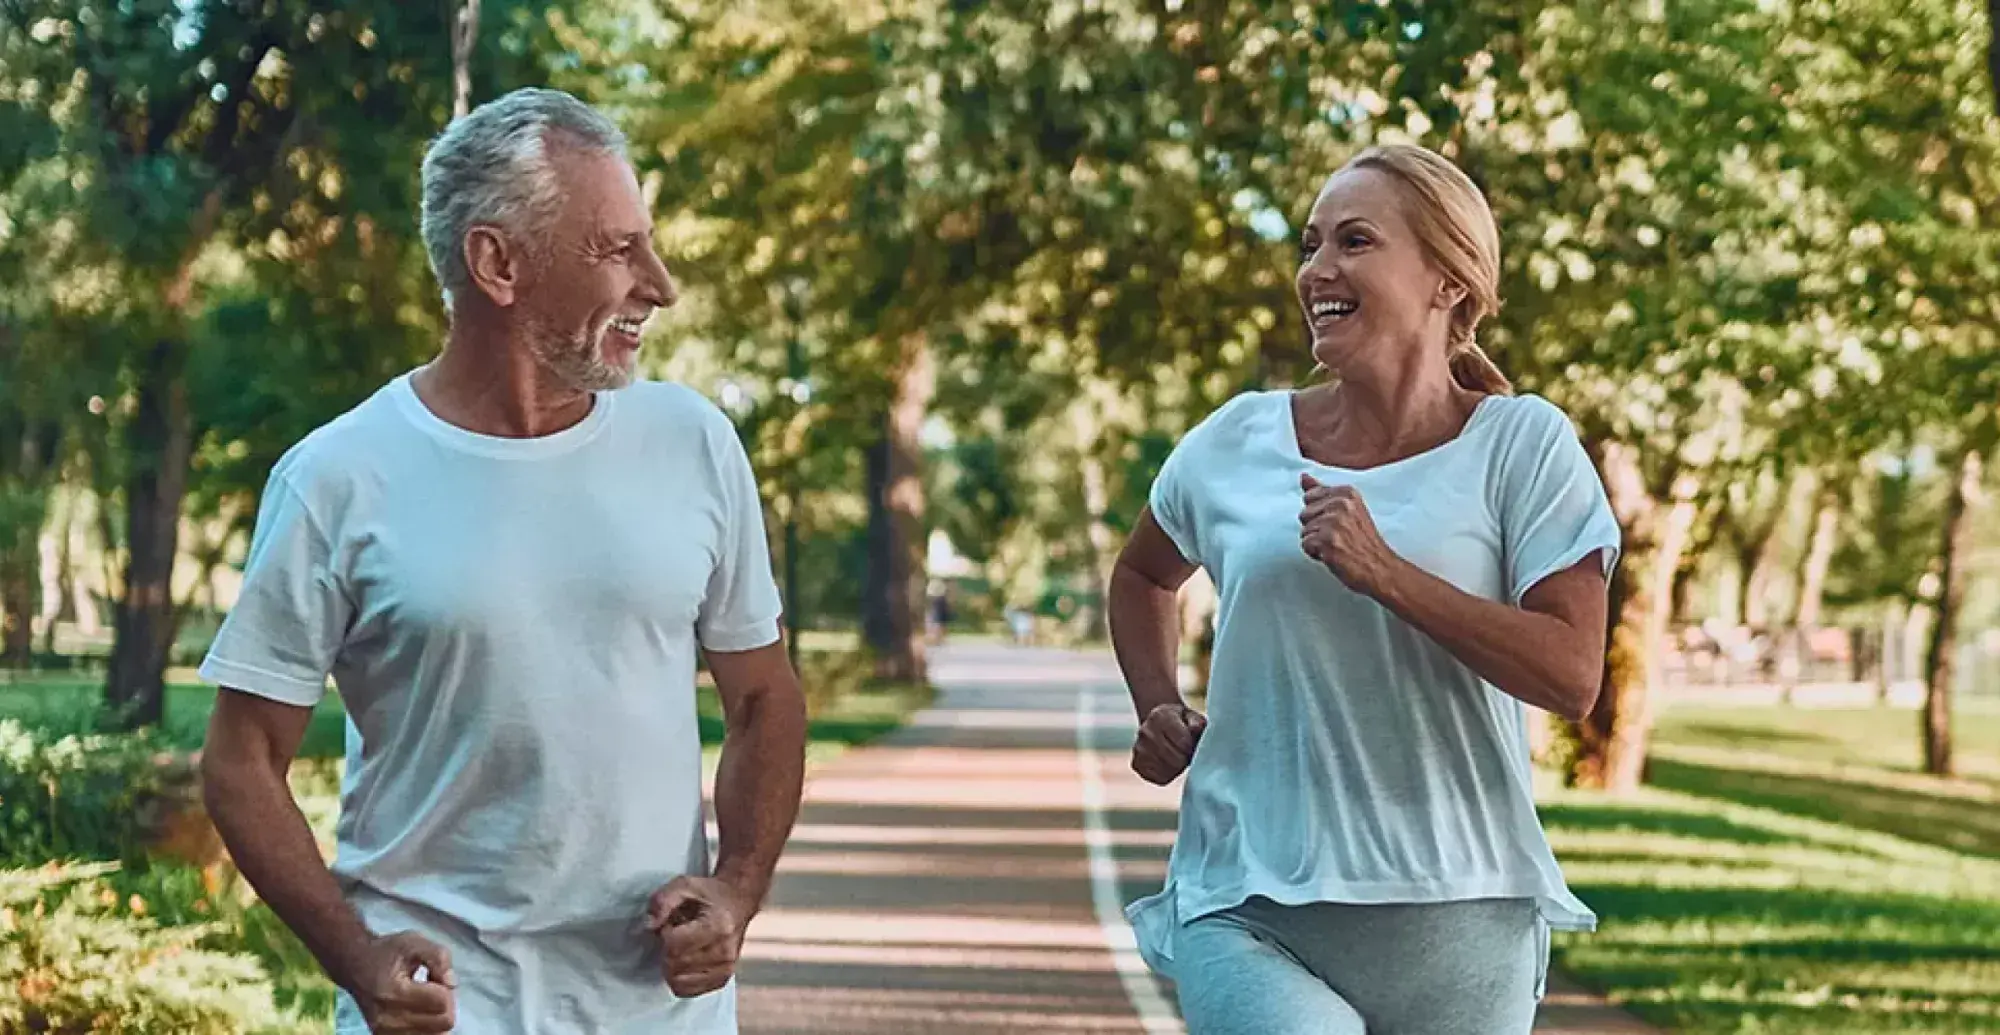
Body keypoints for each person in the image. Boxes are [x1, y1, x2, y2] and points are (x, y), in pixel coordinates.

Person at [197, 88, 808, 1035]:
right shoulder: (337, 478)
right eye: (618, 248)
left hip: (658, 1013)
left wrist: (736, 890)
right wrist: (356, 959)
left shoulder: (693, 442)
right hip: (442, 1014)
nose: (661, 282)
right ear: (497, 262)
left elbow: (764, 697)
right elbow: (241, 760)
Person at [1107, 143, 1620, 1035]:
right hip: (1250, 895)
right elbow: (1144, 572)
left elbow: (1572, 674)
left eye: (1354, 241)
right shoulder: (1236, 439)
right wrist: (1157, 701)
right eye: (1310, 245)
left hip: (1462, 914)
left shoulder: (1523, 447)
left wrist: (1386, 574)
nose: (1318, 270)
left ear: (1447, 281)